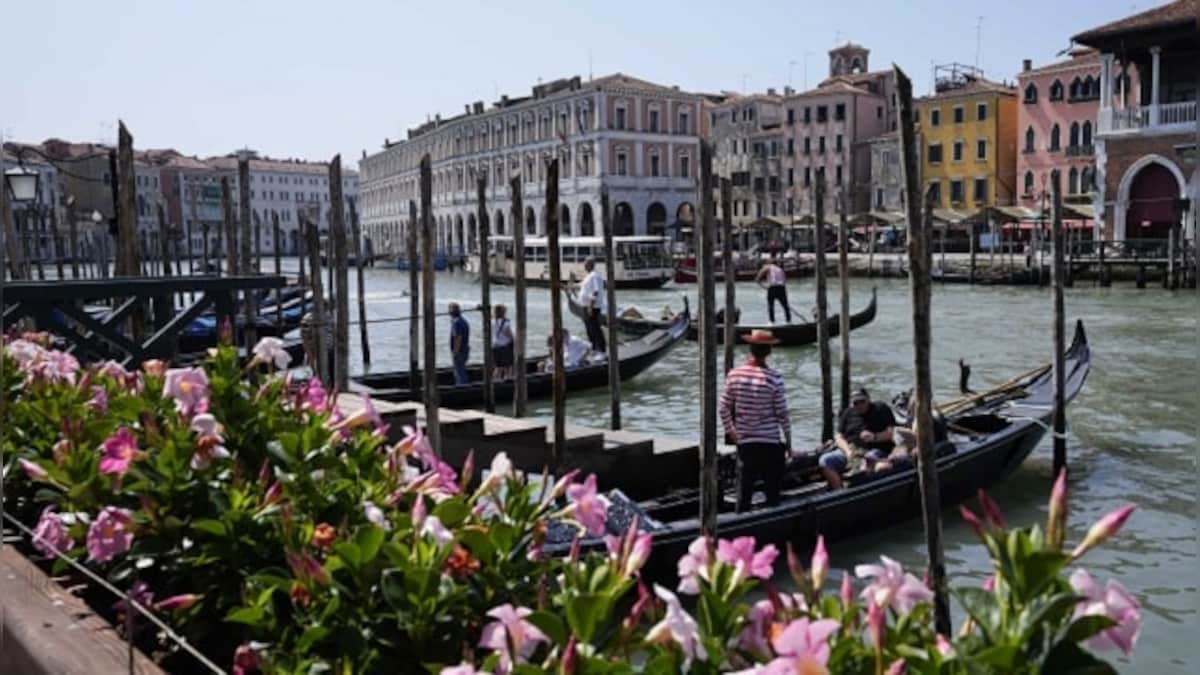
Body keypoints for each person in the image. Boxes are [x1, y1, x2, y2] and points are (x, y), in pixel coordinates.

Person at [719, 329, 792, 511]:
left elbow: (723, 408)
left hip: (745, 441)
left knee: (744, 490)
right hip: (769, 442)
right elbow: (782, 414)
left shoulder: (734, 375)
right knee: (773, 493)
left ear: (749, 349)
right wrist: (789, 442)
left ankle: (740, 523)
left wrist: (732, 433)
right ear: (769, 351)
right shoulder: (774, 378)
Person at [818, 388, 898, 490]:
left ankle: (860, 489)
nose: (859, 405)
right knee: (825, 460)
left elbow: (893, 432)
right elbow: (838, 436)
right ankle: (839, 491)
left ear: (868, 399)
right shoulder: (847, 413)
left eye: (862, 401)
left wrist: (874, 437)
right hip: (851, 450)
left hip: (875, 450)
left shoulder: (881, 409)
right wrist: (848, 451)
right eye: (856, 403)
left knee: (869, 458)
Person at [578, 257, 608, 354]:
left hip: (592, 307)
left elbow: (595, 291)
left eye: (586, 264)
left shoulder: (594, 276)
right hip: (586, 306)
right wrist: (567, 286)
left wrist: (590, 306)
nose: (584, 266)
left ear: (591, 265)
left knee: (594, 328)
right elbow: (581, 285)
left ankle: (601, 350)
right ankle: (594, 348)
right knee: (589, 328)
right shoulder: (589, 276)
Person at [755, 252, 791, 323]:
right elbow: (785, 280)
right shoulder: (780, 269)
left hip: (773, 287)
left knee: (771, 306)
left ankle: (772, 321)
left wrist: (764, 286)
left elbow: (758, 279)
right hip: (781, 288)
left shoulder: (767, 267)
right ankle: (788, 321)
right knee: (785, 306)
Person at [448, 302, 470, 385]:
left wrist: (455, 351)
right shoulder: (463, 321)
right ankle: (463, 384)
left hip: (460, 351)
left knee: (459, 371)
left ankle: (462, 386)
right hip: (465, 349)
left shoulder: (456, 322)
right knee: (461, 369)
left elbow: (458, 337)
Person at [491, 304, 514, 380]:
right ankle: (508, 380)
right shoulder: (506, 323)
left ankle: (495, 381)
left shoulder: (492, 321)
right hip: (505, 346)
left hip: (495, 346)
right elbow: (509, 335)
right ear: (503, 312)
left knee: (498, 367)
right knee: (508, 366)